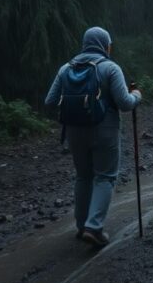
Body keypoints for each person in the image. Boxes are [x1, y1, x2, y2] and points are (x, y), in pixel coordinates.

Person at [45, 27, 141, 248]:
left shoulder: (66, 68)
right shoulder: (110, 68)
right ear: (104, 45)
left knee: (83, 176)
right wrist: (136, 96)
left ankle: (82, 226)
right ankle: (94, 227)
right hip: (104, 129)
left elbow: (50, 101)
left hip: (73, 131)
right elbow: (125, 104)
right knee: (105, 176)